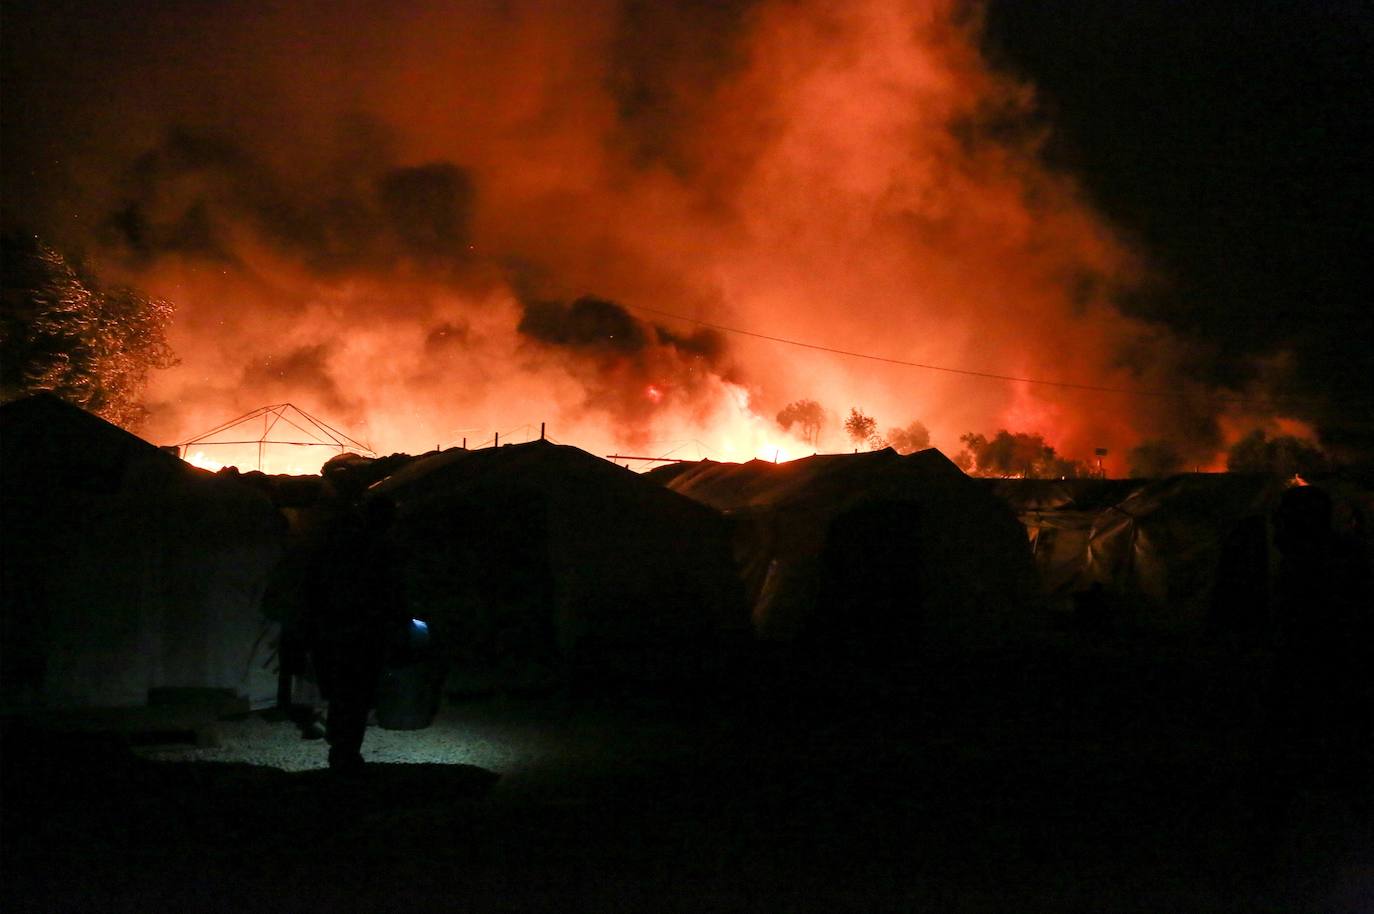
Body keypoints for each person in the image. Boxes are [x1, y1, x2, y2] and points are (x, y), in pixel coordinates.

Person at [307, 494, 408, 772]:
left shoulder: (344, 546)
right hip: (365, 629)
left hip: (340, 626)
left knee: (345, 688)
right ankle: (346, 749)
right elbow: (392, 591)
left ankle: (341, 743)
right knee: (358, 690)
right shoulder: (381, 548)